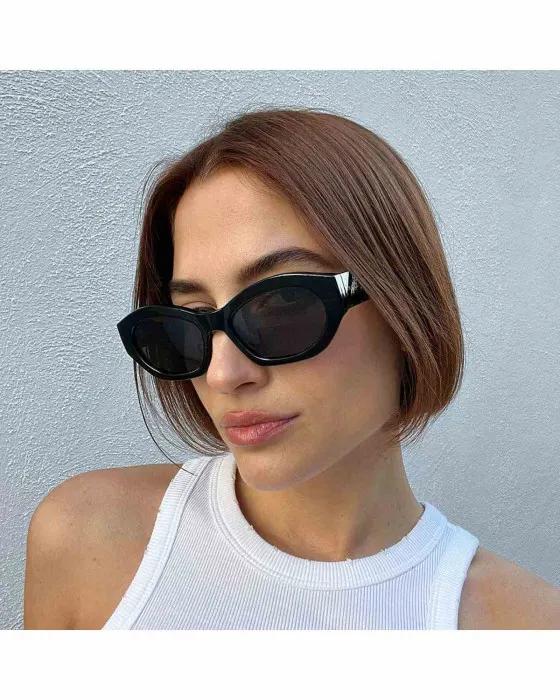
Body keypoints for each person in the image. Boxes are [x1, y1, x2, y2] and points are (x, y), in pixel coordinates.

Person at [24, 108, 560, 630]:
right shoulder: (87, 537)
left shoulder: (521, 626)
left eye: (280, 306)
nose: (222, 375)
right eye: (192, 319)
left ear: (403, 302)